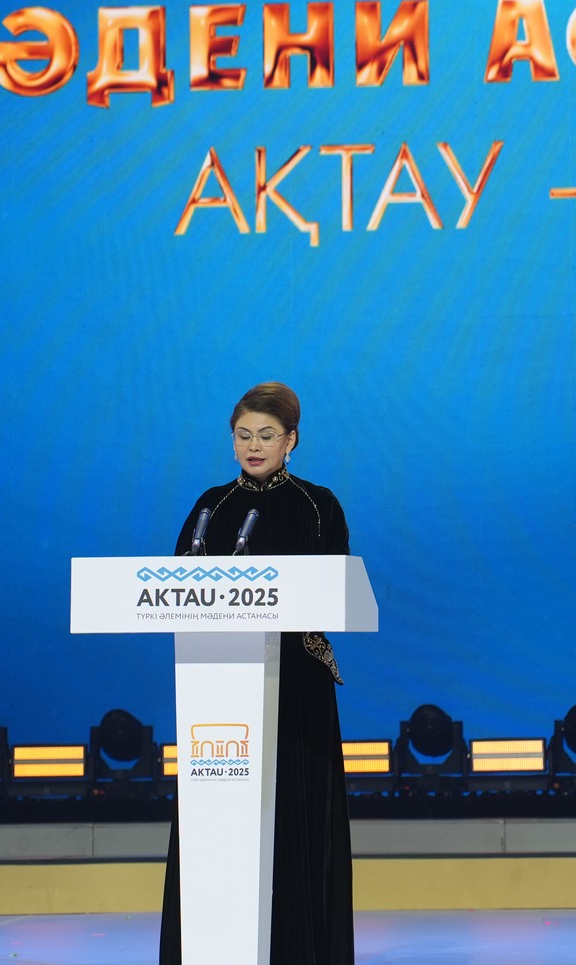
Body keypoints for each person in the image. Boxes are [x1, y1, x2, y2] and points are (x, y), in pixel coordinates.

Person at [160, 381, 354, 965]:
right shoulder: (211, 505)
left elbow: (335, 588)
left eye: (267, 435)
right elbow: (177, 585)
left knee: (294, 818)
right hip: (220, 687)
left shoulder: (318, 504)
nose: (253, 446)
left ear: (291, 440)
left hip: (296, 682)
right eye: (243, 435)